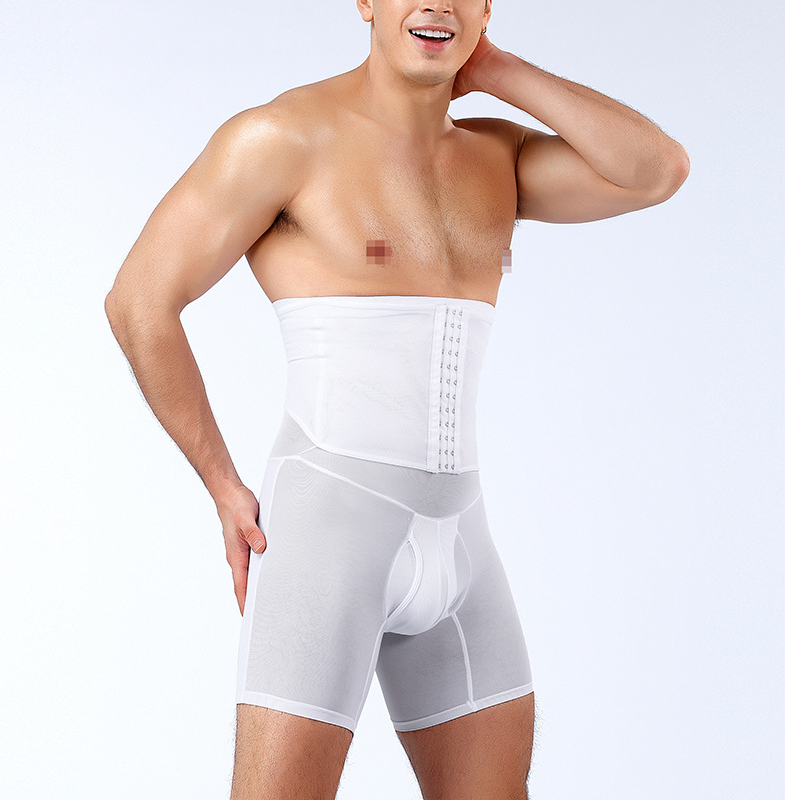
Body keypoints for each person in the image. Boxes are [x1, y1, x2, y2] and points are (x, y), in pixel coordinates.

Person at [105, 1, 689, 797]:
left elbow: (657, 170)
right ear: (365, 1)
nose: (436, 3)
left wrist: (496, 69)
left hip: (464, 544)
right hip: (326, 532)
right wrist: (222, 484)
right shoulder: (281, 138)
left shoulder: (498, 156)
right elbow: (139, 302)